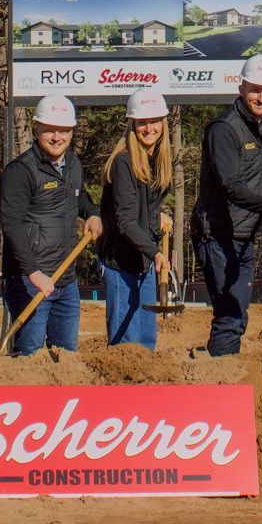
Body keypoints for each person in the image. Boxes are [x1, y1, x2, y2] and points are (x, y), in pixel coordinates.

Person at [192, 53, 262, 357]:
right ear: (241, 87)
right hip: (218, 235)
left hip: (245, 235)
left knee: (238, 314)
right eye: (255, 89)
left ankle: (221, 371)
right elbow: (230, 185)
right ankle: (221, 383)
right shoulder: (224, 129)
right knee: (230, 314)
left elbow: (259, 168)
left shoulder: (261, 126)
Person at [0, 94, 101, 355]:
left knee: (65, 356)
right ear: (37, 128)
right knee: (29, 355)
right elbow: (11, 224)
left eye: (64, 130)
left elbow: (80, 198)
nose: (57, 137)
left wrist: (92, 213)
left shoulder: (73, 166)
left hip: (65, 280)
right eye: (50, 130)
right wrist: (33, 272)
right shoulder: (20, 171)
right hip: (29, 279)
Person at [98, 90, 176, 348]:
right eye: (142, 122)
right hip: (121, 266)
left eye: (154, 121)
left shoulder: (158, 161)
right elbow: (126, 221)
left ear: (163, 124)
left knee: (146, 340)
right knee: (126, 345)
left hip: (143, 264)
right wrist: (155, 253)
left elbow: (144, 211)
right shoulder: (123, 163)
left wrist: (158, 218)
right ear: (132, 125)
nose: (149, 128)